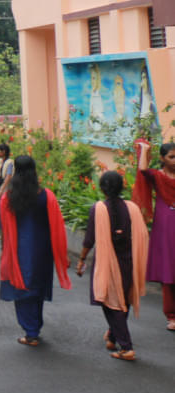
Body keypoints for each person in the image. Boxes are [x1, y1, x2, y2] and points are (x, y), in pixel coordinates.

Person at [0, 155, 72, 346]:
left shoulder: (8, 198)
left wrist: (4, 253)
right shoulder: (46, 195)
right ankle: (35, 328)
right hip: (42, 249)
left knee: (21, 288)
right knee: (37, 288)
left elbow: (5, 229)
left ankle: (30, 331)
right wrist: (61, 255)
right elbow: (57, 225)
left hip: (19, 249)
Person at [76, 170, 148, 362]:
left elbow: (89, 239)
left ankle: (126, 347)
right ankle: (112, 337)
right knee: (123, 300)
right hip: (130, 260)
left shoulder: (99, 208)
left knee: (110, 303)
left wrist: (82, 259)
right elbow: (141, 235)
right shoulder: (132, 208)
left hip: (108, 261)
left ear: (101, 188)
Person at [131, 139, 175, 331]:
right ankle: (172, 316)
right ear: (162, 159)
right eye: (172, 157)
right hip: (166, 224)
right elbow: (143, 171)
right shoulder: (157, 176)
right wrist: (145, 150)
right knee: (169, 269)